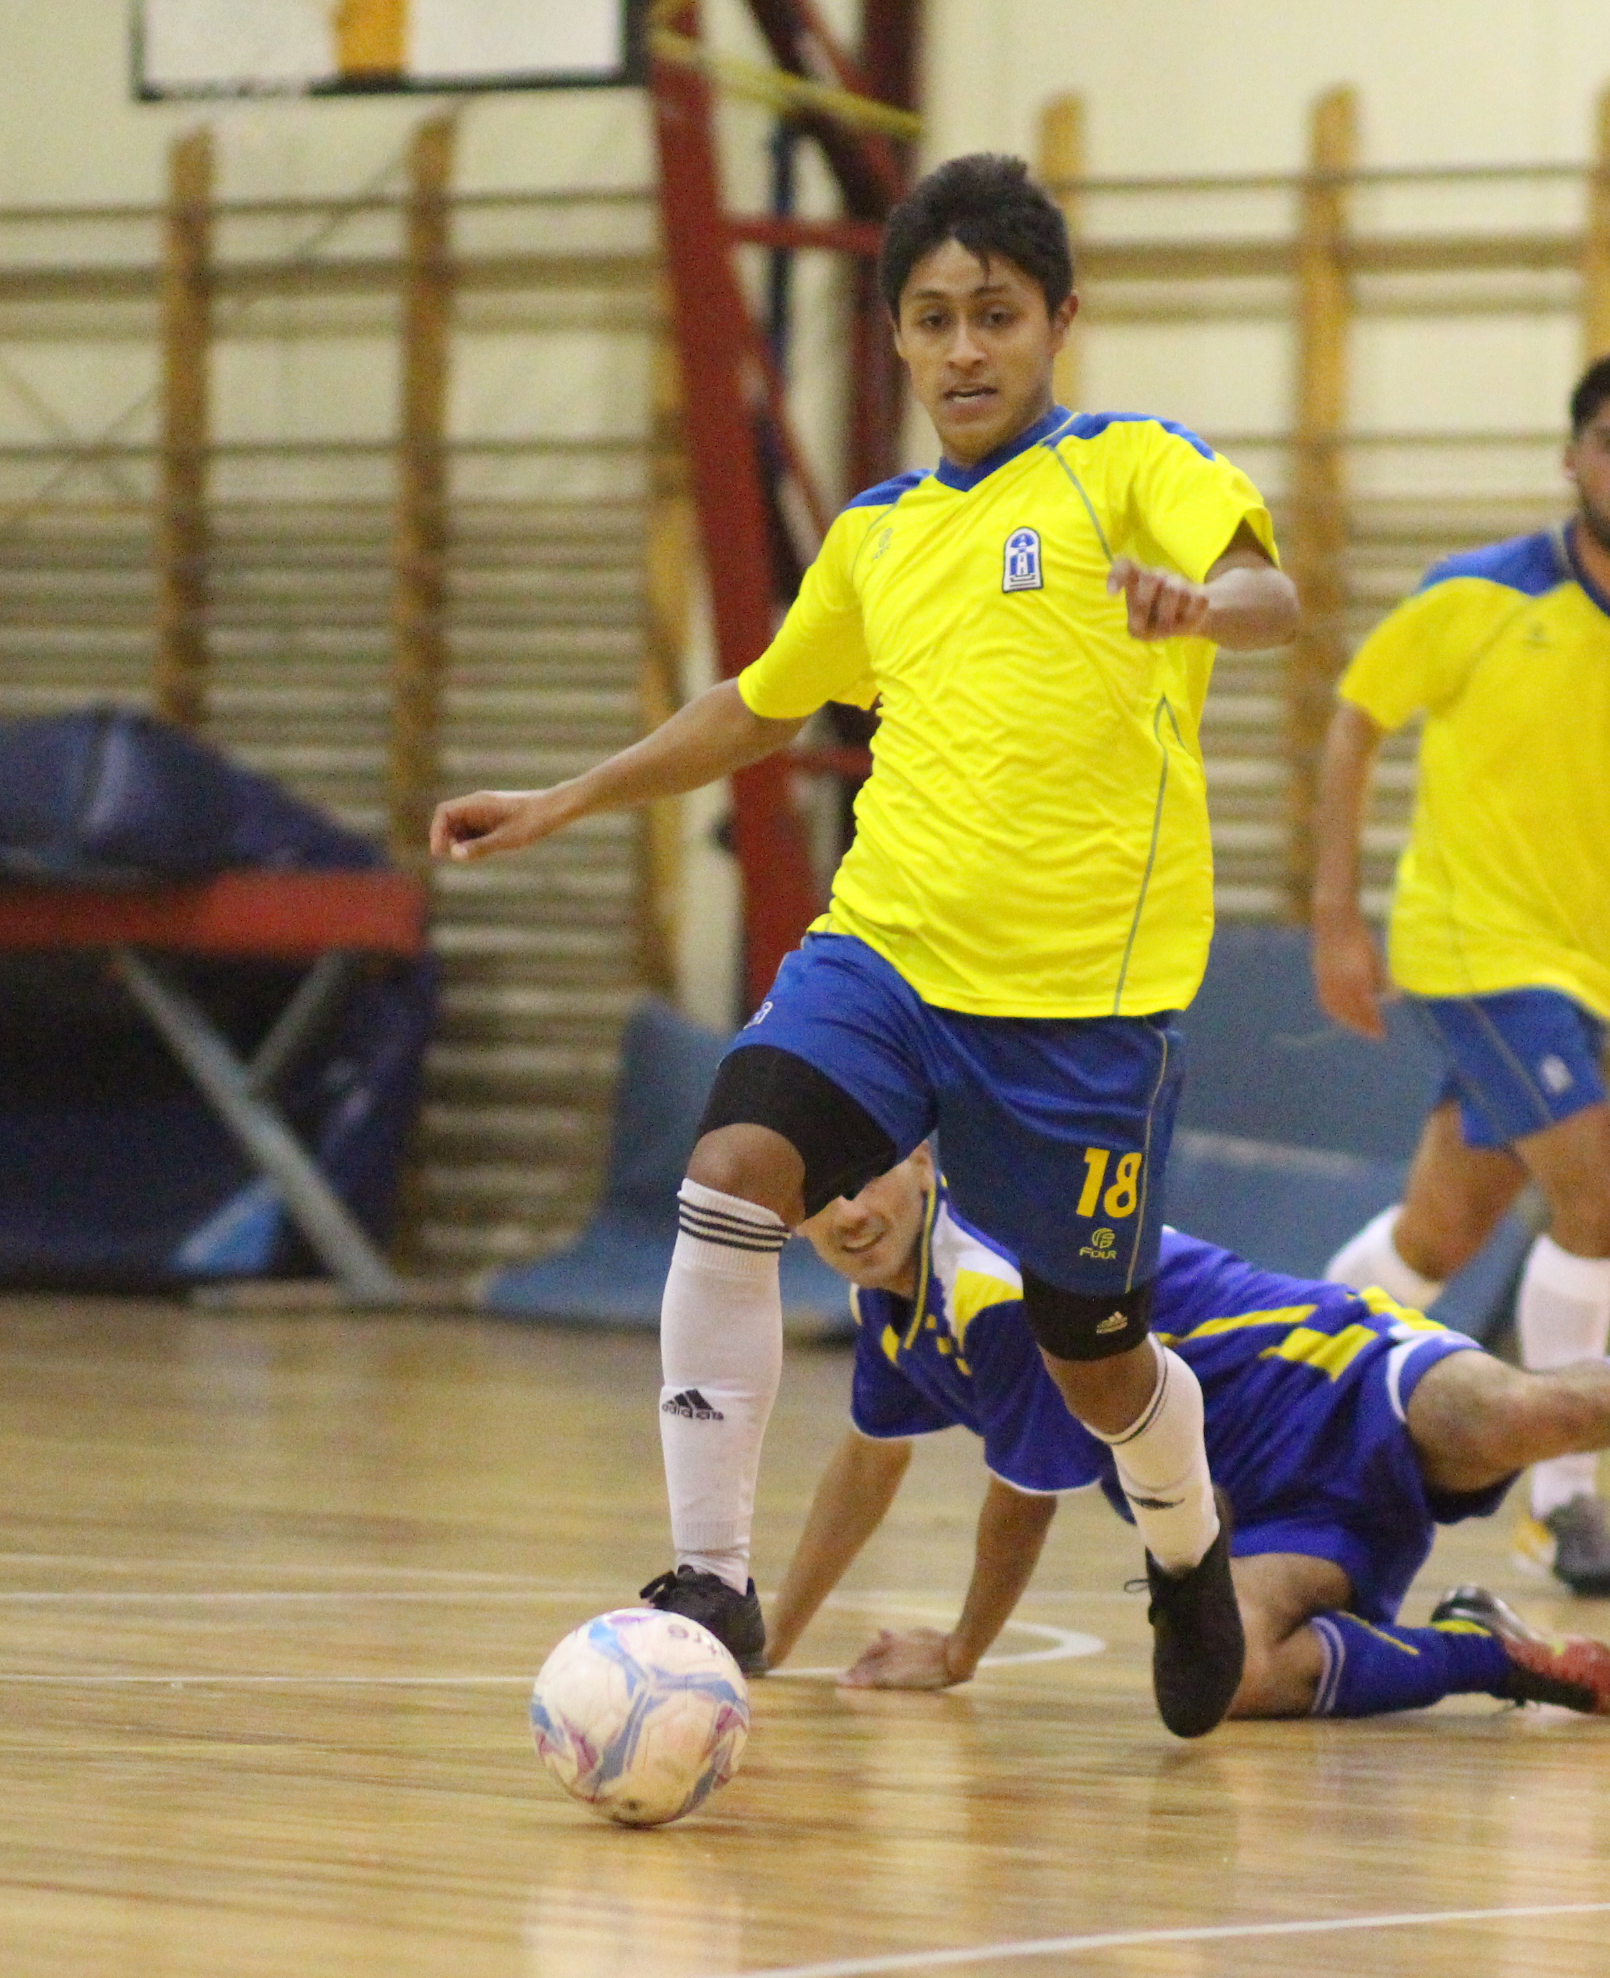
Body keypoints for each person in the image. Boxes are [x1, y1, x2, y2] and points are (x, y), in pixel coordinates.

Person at [432, 154, 1298, 1736]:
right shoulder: (879, 534)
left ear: (1060, 324)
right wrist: (568, 798)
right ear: (895, 338)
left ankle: (1185, 1548)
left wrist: (1202, 608)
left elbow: (1270, 592)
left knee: (1096, 1361)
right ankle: (711, 1580)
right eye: (933, 319)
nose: (965, 349)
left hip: (1080, 1012)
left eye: (997, 316)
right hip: (887, 953)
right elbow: (756, 705)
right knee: (734, 1168)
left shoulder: (1126, 466)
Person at [759, 1148, 1610, 1724]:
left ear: (928, 1158)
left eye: (868, 1178)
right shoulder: (893, 1315)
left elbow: (1020, 1497)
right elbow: (865, 1465)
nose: (849, 1213)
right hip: (1266, 1518)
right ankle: (1488, 1655)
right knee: (1231, 1681)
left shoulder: (991, 1279)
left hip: (1341, 1379)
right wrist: (769, 1644)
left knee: (1524, 1412)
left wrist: (960, 1652)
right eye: (821, 1200)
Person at [1306, 347, 1610, 1601]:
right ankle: (1562, 1500)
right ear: (1572, 457)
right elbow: (1355, 726)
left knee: (1438, 1233)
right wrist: (1336, 920)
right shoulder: (1472, 593)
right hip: (1467, 945)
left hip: (1587, 974)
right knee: (1605, 1196)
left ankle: (1274, 1372)